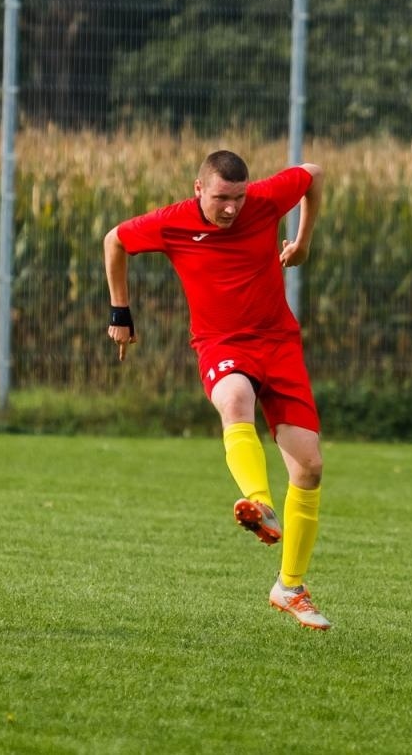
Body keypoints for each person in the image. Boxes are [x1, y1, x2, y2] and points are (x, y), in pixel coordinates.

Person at [104, 149, 331, 630]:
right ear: (198, 189)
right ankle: (259, 503)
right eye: (222, 198)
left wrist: (304, 242)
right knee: (234, 399)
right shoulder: (172, 223)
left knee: (309, 467)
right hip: (222, 343)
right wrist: (119, 312)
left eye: (239, 197)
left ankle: (289, 588)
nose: (232, 208)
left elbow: (312, 175)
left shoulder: (265, 201)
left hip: (279, 343)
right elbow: (115, 240)